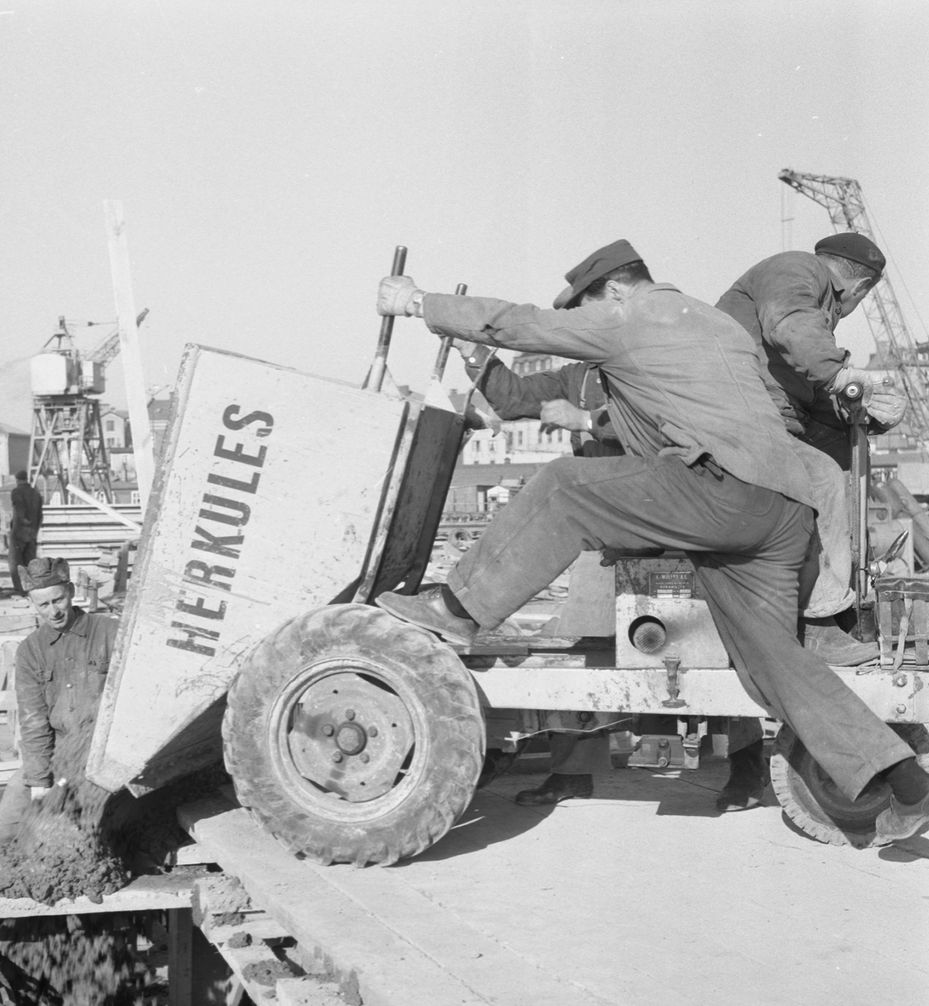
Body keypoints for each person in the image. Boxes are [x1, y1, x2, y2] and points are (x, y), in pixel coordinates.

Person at [373, 238, 929, 843]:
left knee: (564, 488)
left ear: (613, 289)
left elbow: (519, 323)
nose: (586, 318)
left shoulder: (630, 314)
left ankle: (456, 610)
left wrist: (418, 303)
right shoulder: (715, 325)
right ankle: (905, 781)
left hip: (723, 493)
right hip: (783, 510)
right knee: (773, 663)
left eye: (586, 305)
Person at [455, 329, 766, 811]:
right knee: (577, 651)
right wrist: (473, 352)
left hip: (674, 535)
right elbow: (514, 397)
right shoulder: (576, 376)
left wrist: (585, 420)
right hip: (605, 537)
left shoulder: (662, 371)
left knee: (706, 652)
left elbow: (672, 432)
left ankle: (746, 767)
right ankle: (572, 771)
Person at [716, 233, 907, 663]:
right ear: (860, 288)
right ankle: (816, 625)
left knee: (845, 459)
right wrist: (840, 374)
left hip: (768, 418)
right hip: (735, 415)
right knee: (821, 476)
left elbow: (814, 396)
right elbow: (792, 324)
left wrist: (870, 412)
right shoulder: (797, 269)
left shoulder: (813, 301)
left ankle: (841, 603)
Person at [0, 557, 119, 848]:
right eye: (43, 605)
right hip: (60, 753)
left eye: (58, 600)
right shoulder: (31, 651)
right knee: (1, 828)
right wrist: (39, 783)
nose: (53, 611)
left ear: (71, 592)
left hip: (107, 752)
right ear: (33, 604)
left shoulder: (110, 632)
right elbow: (34, 722)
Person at [8, 470, 44, 595]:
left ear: (17, 480)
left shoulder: (16, 492)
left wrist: (23, 521)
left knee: (15, 562)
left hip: (19, 531)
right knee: (30, 561)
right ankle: (31, 588)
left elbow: (19, 511)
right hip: (32, 532)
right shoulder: (36, 493)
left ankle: (21, 589)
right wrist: (35, 530)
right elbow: (40, 516)